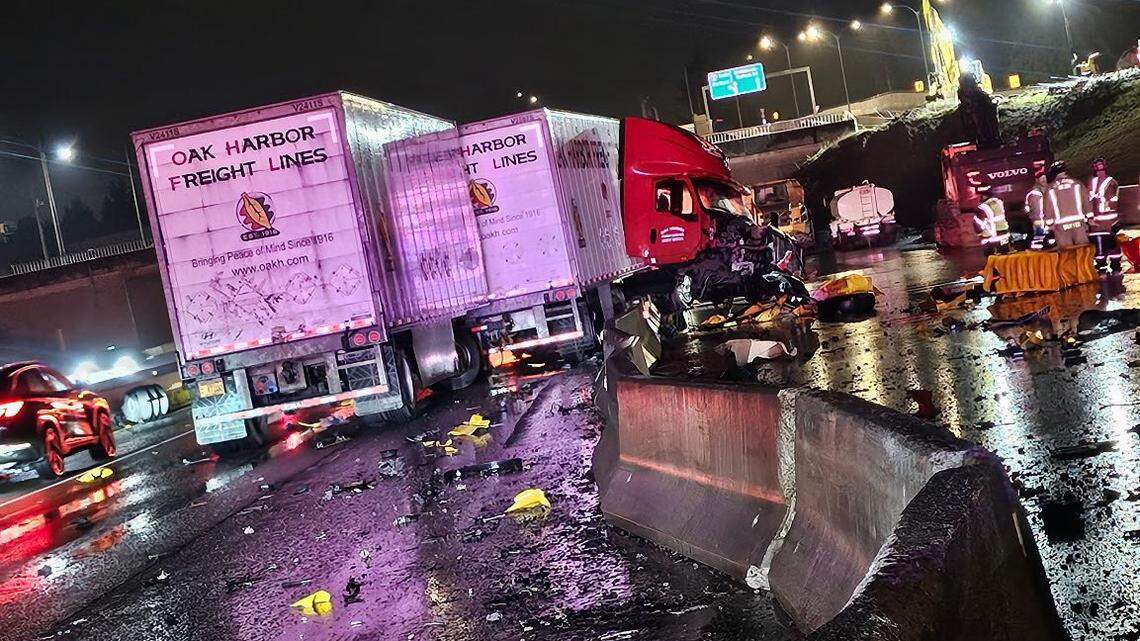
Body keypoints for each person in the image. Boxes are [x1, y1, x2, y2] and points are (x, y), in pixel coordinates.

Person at [1044, 161, 1091, 248]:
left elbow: (1048, 207)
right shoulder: (1077, 183)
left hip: (1061, 225)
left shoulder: (1051, 188)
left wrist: (1050, 224)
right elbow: (1086, 201)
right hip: (1079, 222)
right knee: (1083, 250)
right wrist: (1089, 217)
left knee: (1066, 253)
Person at [1087, 157, 1122, 272]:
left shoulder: (1111, 182)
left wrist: (1115, 220)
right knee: (1099, 242)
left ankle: (1114, 263)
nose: (1099, 169)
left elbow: (1114, 201)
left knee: (1110, 242)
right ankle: (1102, 262)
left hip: (1107, 219)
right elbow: (1088, 199)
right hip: (1097, 219)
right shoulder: (1092, 182)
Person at [957, 72, 1001, 150]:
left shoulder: (968, 93)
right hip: (976, 113)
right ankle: (988, 139)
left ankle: (990, 138)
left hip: (978, 112)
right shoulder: (968, 93)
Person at [973, 182, 1011, 254]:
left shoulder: (982, 207)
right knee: (1005, 258)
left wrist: (980, 235)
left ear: (982, 195)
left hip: (991, 239)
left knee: (992, 260)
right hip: (1004, 235)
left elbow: (978, 225)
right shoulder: (998, 202)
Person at [1025, 169, 1049, 250]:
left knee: (1045, 239)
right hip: (1039, 221)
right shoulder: (1035, 194)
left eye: (1045, 179)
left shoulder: (1046, 190)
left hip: (1045, 220)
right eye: (1042, 179)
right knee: (1039, 239)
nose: (1044, 181)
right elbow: (1036, 209)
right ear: (1037, 180)